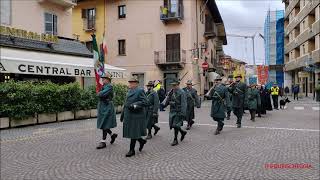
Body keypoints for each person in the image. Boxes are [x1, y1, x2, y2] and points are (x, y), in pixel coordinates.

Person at [120, 77, 149, 157]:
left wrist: (135, 105)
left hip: (136, 115)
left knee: (133, 132)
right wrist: (122, 115)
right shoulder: (129, 91)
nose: (130, 84)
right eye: (130, 82)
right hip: (129, 115)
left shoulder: (140, 91)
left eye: (132, 82)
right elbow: (125, 103)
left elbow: (145, 102)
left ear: (136, 83)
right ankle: (141, 141)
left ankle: (131, 150)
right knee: (132, 132)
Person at [162, 78, 187, 146]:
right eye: (172, 85)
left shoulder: (182, 92)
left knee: (175, 125)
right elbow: (167, 100)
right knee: (173, 125)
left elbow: (184, 104)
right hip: (172, 111)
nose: (173, 87)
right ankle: (182, 132)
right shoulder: (171, 92)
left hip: (178, 111)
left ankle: (175, 139)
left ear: (178, 85)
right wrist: (163, 105)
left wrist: (183, 113)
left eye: (175, 85)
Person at [96, 74, 118, 149]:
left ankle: (103, 141)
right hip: (103, 106)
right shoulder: (104, 86)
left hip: (107, 107)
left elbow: (102, 94)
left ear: (108, 80)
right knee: (103, 123)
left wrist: (99, 93)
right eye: (102, 79)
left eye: (104, 79)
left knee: (104, 123)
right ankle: (112, 135)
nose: (102, 80)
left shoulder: (109, 86)